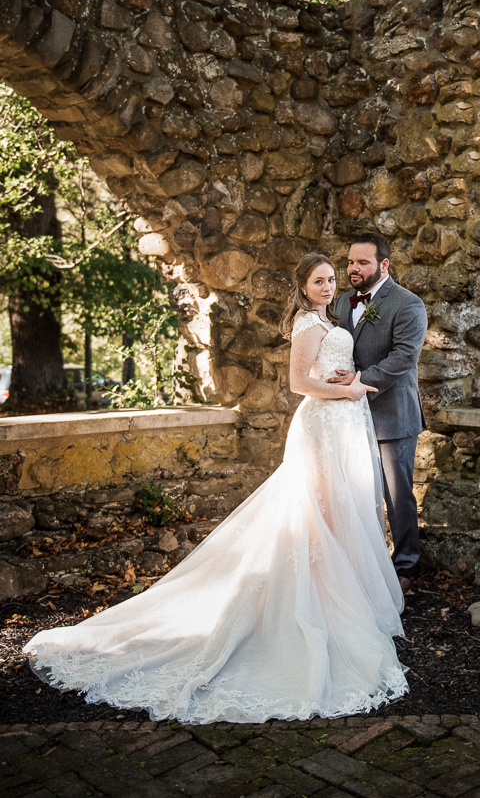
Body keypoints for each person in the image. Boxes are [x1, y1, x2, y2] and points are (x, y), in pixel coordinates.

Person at [23, 254, 408, 725]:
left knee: (336, 514)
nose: (328, 287)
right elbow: (297, 383)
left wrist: (351, 387)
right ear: (303, 287)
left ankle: (337, 601)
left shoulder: (334, 318)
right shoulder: (307, 325)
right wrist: (347, 392)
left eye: (331, 279)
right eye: (318, 281)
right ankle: (306, 610)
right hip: (322, 425)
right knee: (316, 512)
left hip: (343, 426)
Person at [330, 233, 428, 595]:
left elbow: (403, 358)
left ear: (383, 265)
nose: (354, 269)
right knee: (356, 490)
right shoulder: (341, 301)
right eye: (351, 262)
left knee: (396, 493)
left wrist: (357, 380)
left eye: (363, 263)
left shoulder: (408, 304)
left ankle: (405, 568)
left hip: (392, 415)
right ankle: (365, 565)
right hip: (348, 415)